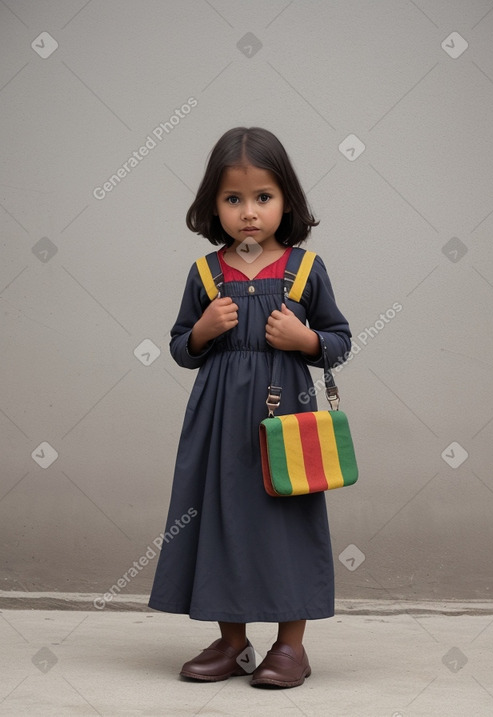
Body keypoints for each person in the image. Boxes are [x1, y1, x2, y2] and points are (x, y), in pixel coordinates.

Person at [148, 126, 352, 689]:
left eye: (263, 197)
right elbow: (179, 348)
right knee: (220, 518)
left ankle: (291, 646)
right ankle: (233, 642)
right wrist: (202, 332)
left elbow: (340, 338)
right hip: (218, 420)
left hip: (287, 417)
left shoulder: (307, 269)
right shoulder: (206, 274)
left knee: (289, 521)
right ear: (213, 204)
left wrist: (307, 342)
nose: (248, 212)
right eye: (232, 199)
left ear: (286, 199)